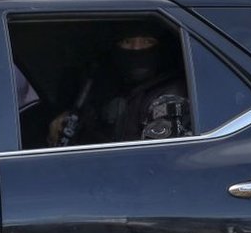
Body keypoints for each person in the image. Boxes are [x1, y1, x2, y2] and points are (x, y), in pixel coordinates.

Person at [48, 24, 190, 147]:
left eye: (147, 42)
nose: (136, 50)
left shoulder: (171, 96)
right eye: (127, 42)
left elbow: (154, 159)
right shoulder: (106, 88)